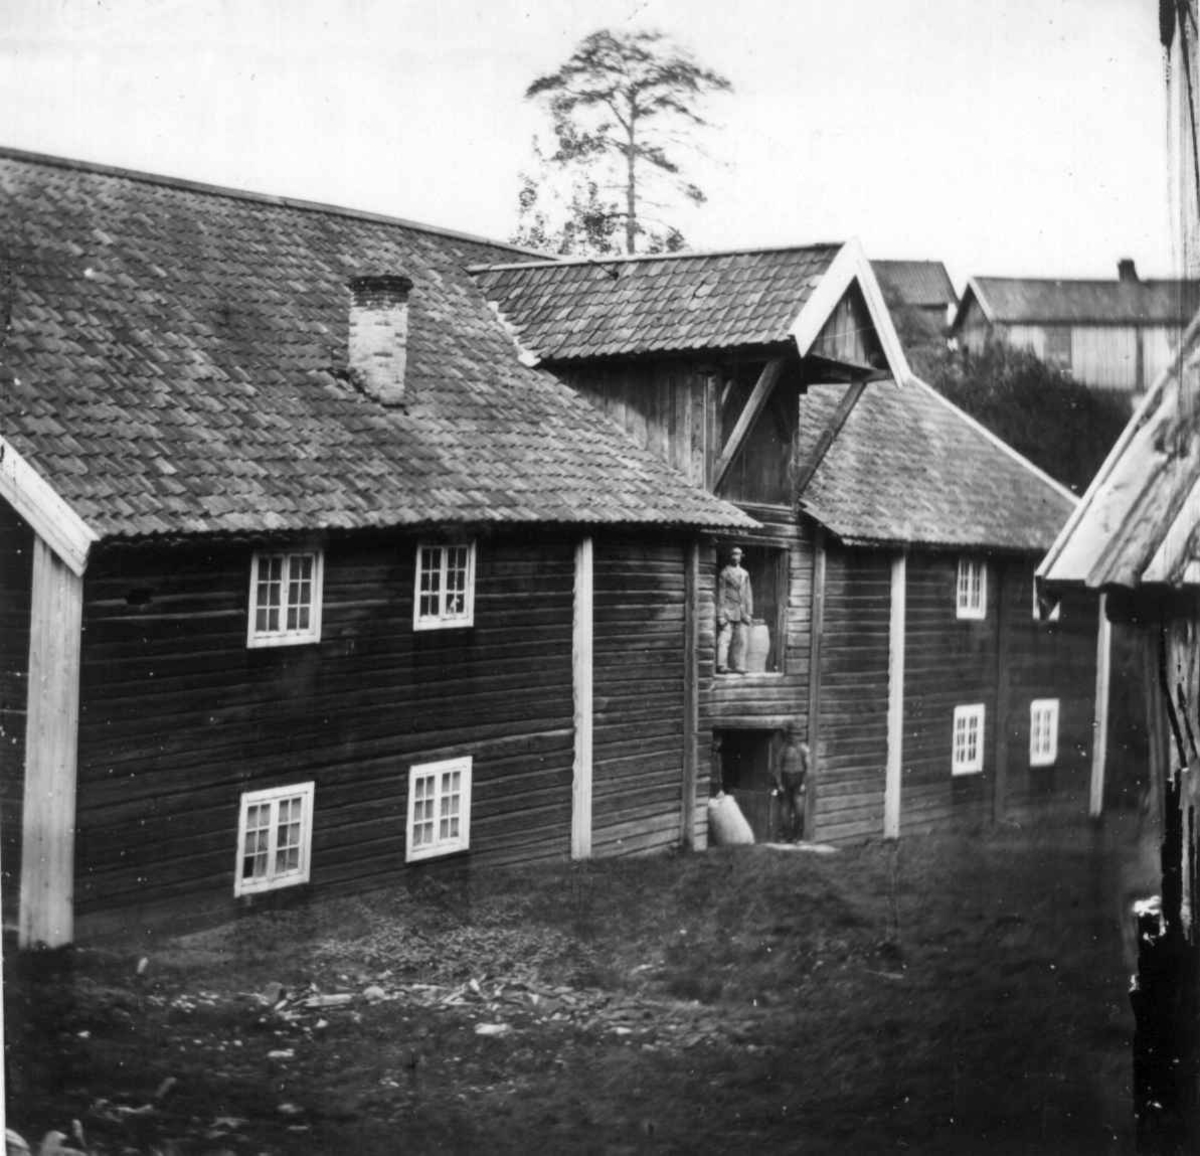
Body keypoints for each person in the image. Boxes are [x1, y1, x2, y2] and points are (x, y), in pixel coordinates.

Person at [716, 546, 753, 673]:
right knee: (724, 639)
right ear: (729, 556)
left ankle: (739, 666)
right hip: (728, 610)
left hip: (741, 611)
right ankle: (722, 665)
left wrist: (749, 613)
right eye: (733, 554)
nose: (735, 557)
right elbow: (720, 594)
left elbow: (748, 594)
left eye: (738, 554)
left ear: (741, 557)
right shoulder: (724, 573)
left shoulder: (745, 573)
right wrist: (720, 615)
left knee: (741, 640)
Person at [773, 727, 809, 842]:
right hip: (786, 780)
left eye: (796, 735)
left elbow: (809, 767)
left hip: (799, 781)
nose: (793, 737)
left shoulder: (803, 749)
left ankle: (798, 837)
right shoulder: (783, 749)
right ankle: (787, 836)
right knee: (785, 810)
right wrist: (779, 783)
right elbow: (778, 766)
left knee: (799, 810)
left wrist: (804, 783)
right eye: (791, 735)